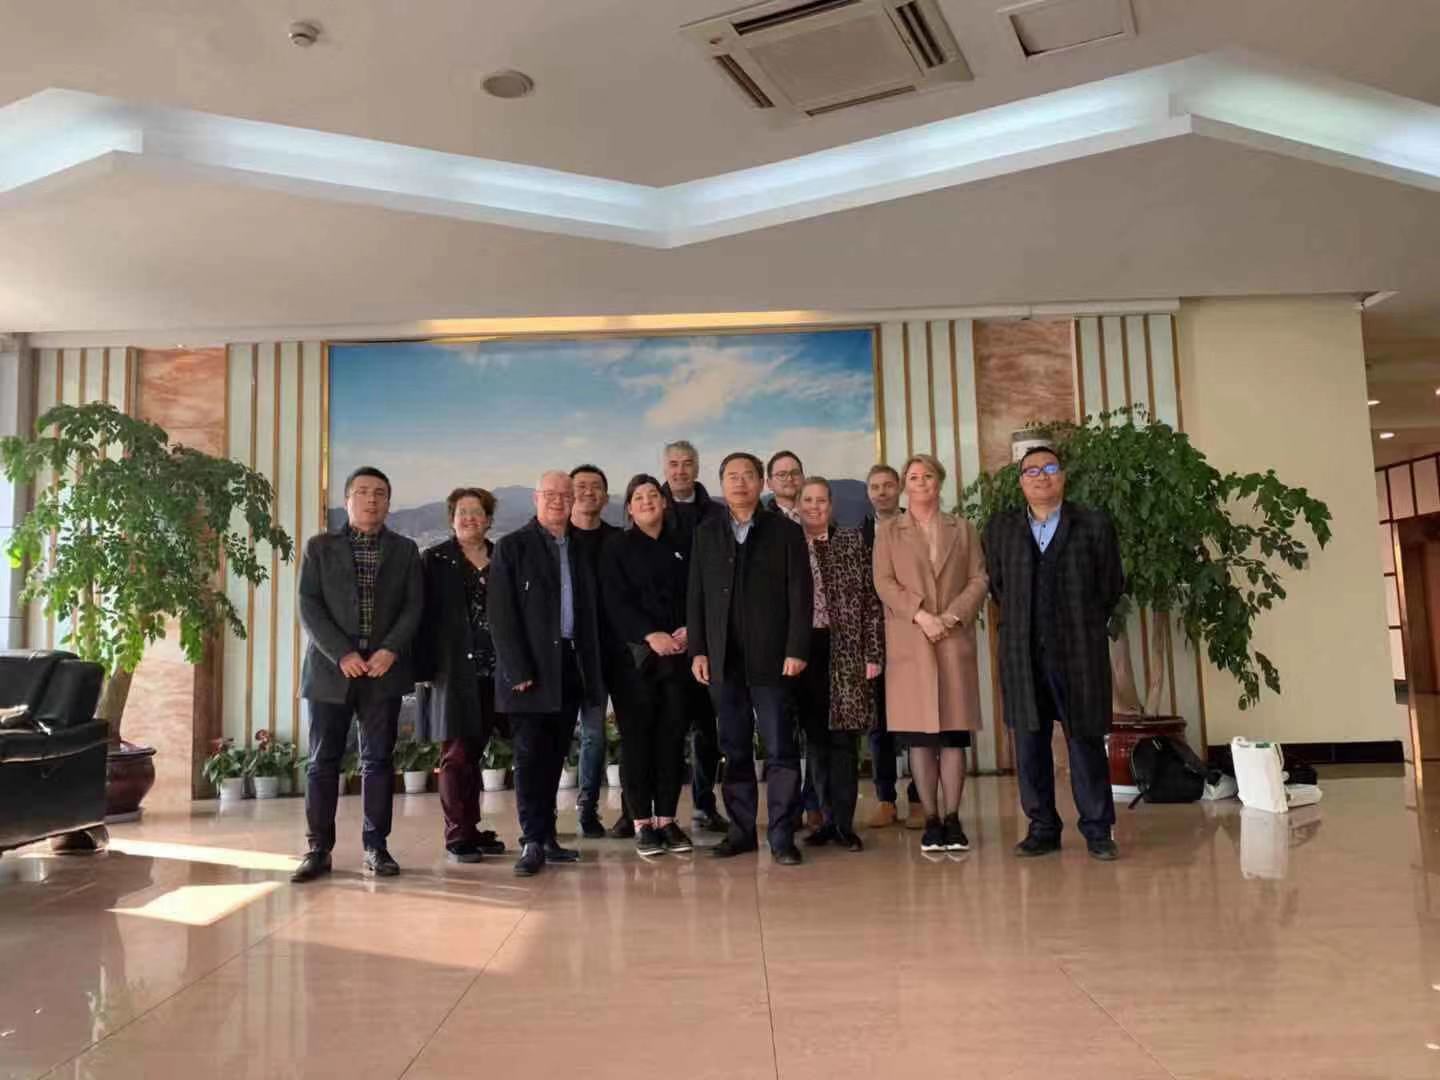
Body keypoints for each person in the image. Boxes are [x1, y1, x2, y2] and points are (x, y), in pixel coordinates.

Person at [983, 445, 1125, 861]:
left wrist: (1080, 622)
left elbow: (1110, 585)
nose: (1041, 476)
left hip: (1079, 651)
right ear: (1020, 482)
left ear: (1062, 476)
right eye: (1031, 471)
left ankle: (1098, 830)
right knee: (1030, 744)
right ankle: (1042, 828)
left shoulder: (1093, 523)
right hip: (1022, 652)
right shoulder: (1001, 528)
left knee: (1084, 740)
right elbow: (999, 587)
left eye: (1049, 468)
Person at [293, 466, 422, 882]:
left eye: (380, 493)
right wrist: (341, 653)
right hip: (331, 671)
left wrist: (390, 650)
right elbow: (308, 605)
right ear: (347, 500)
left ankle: (376, 846)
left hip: (383, 670)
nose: (371, 500)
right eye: (363, 492)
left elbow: (414, 606)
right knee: (322, 762)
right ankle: (318, 849)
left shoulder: (405, 550)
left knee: (378, 761)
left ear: (388, 502)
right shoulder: (319, 547)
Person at [689, 451, 812, 865]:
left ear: (761, 482)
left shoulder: (785, 531)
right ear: (722, 483)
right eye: (732, 476)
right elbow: (696, 596)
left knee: (780, 748)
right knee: (734, 748)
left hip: (773, 658)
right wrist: (699, 649)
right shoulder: (706, 532)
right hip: (724, 659)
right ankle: (741, 832)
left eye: (747, 476)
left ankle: (782, 836)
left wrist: (797, 648)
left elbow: (801, 594)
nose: (739, 483)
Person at [490, 470, 607, 877]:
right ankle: (532, 841)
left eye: (565, 494)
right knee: (530, 758)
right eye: (550, 494)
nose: (559, 500)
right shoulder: (512, 547)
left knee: (556, 755)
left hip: (571, 666)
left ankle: (548, 836)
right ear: (536, 499)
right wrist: (517, 668)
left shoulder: (580, 547)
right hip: (529, 671)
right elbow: (500, 614)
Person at [873, 454, 988, 855]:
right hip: (912, 638)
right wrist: (921, 615)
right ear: (905, 486)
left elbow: (979, 578)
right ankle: (932, 820)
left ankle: (953, 818)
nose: (921, 482)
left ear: (940, 481)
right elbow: (883, 581)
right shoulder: (889, 531)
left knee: (954, 736)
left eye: (928, 476)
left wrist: (952, 616)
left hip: (953, 639)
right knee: (920, 739)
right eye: (913, 477)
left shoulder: (963, 528)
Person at [600, 475, 696, 857]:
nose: (646, 501)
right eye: (638, 497)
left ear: (664, 502)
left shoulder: (684, 543)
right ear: (629, 508)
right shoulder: (616, 547)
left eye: (653, 495)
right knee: (637, 742)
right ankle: (641, 823)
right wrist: (649, 634)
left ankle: (667, 820)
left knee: (671, 740)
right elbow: (614, 601)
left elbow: (698, 591)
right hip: (633, 661)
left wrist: (690, 627)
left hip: (678, 656)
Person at [415, 487, 507, 864]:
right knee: (456, 754)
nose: (469, 518)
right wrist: (423, 669)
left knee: (479, 751)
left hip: (499, 672)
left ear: (488, 519)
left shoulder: (503, 557)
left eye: (477, 511)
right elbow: (420, 616)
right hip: (452, 672)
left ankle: (472, 827)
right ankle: (457, 833)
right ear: (452, 519)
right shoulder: (434, 559)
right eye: (462, 512)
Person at [794, 478, 883, 852]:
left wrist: (873, 653)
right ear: (798, 505)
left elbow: (871, 601)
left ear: (831, 506)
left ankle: (845, 825)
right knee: (816, 740)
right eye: (808, 500)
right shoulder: (789, 546)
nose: (815, 507)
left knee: (844, 739)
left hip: (846, 649)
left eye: (821, 500)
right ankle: (826, 820)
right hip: (803, 651)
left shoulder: (851, 542)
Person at [658, 439, 728, 834]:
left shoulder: (716, 514)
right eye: (674, 464)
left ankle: (704, 805)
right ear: (665, 468)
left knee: (707, 730)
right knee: (663, 729)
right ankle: (650, 813)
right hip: (663, 640)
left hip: (706, 638)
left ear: (697, 468)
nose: (680, 470)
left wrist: (696, 628)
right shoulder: (650, 508)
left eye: (687, 464)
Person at [859, 463, 923, 829]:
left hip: (913, 633)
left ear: (899, 488)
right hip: (875, 640)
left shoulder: (918, 527)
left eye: (887, 485)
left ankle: (919, 797)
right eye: (875, 487)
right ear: (868, 493)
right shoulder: (858, 534)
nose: (881, 492)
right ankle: (885, 798)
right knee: (878, 723)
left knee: (918, 722)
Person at [567, 464, 623, 839]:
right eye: (581, 486)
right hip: (570, 654)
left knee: (598, 736)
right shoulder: (558, 540)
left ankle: (597, 810)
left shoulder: (618, 539)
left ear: (605, 495)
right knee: (580, 736)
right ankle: (573, 811)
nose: (589, 492)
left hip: (615, 652)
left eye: (596, 486)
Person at [764, 450, 804, 524]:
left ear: (803, 478)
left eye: (795, 473)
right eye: (782, 475)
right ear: (769, 483)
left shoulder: (822, 515)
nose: (790, 479)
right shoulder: (761, 523)